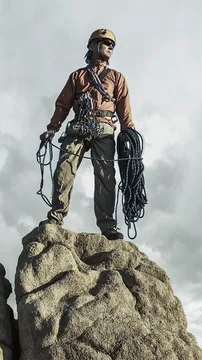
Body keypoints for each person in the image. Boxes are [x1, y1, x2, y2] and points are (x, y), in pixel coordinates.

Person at [39, 29, 136, 240]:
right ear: (92, 46)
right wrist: (52, 128)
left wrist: (128, 132)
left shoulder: (117, 78)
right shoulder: (77, 76)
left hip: (104, 129)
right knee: (64, 170)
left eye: (112, 44)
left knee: (106, 178)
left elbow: (124, 109)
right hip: (78, 127)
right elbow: (63, 105)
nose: (110, 46)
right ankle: (56, 216)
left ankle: (108, 226)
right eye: (104, 42)